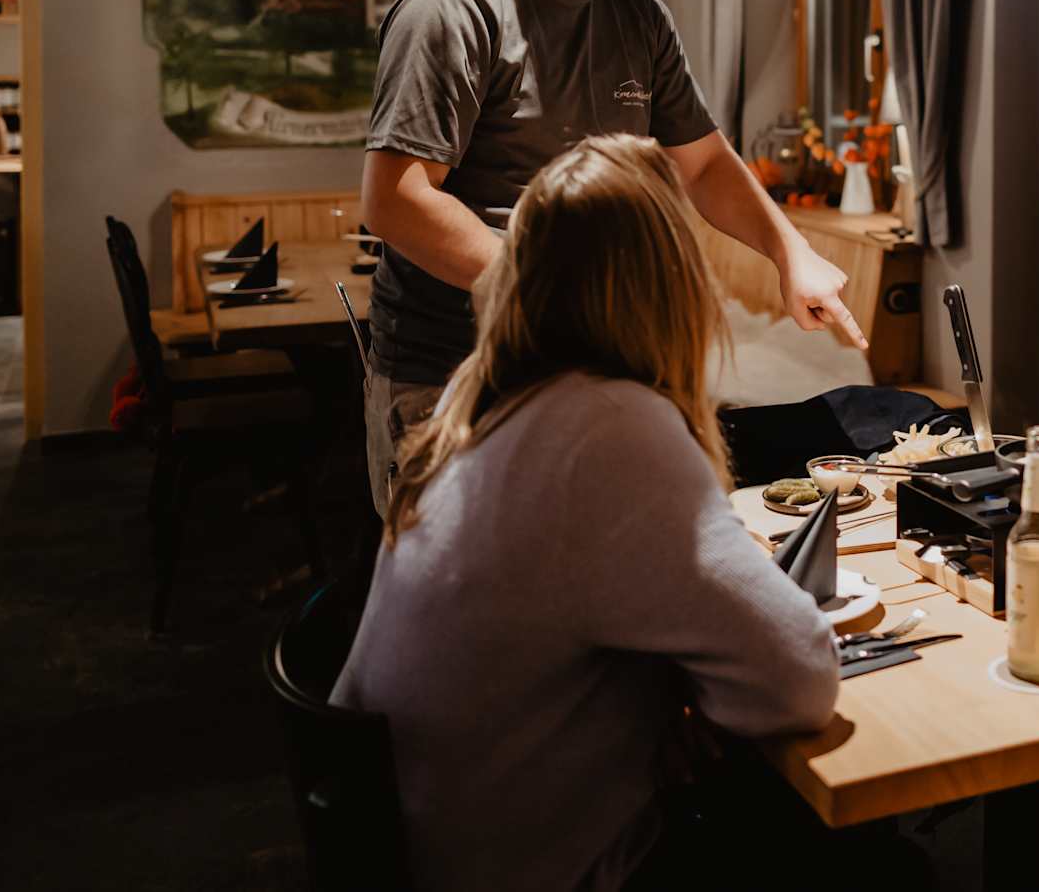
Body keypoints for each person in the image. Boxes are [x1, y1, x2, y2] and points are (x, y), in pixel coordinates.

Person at [333, 135, 842, 892]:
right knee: (867, 861)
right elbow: (797, 679)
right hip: (531, 870)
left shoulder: (479, 399)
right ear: (667, 283)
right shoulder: (610, 425)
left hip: (417, 845)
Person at [360, 0, 863, 513]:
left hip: (595, 364)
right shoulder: (455, 7)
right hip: (458, 373)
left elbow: (702, 163)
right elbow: (397, 200)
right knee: (484, 580)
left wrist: (789, 251)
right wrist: (557, 297)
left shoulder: (636, 14)